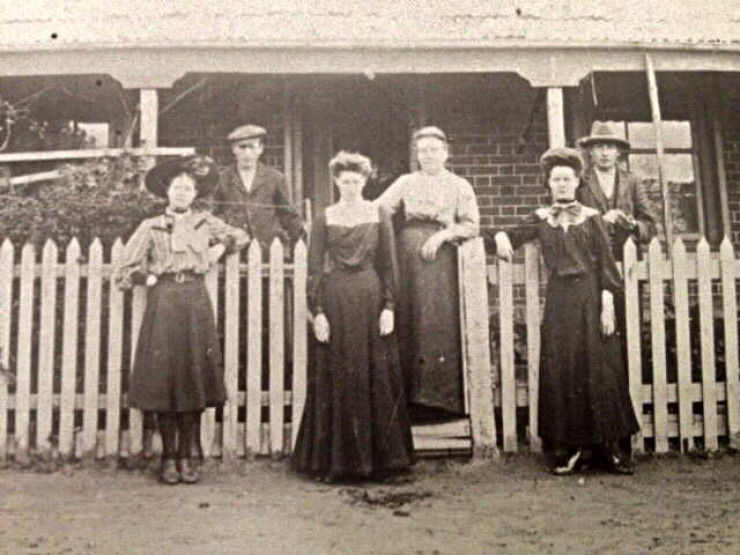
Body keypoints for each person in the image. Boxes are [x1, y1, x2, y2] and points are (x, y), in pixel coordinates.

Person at [484, 147, 639, 476]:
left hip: (592, 298)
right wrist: (499, 236)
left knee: (600, 370)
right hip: (559, 302)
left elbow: (606, 266)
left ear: (577, 181)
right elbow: (508, 234)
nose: (563, 184)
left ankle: (610, 450)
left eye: (568, 178)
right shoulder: (542, 219)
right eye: (556, 179)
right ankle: (569, 449)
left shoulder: (592, 217)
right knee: (564, 370)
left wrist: (608, 304)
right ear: (549, 184)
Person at [115, 155, 249, 485]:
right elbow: (123, 271)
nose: (182, 193)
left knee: (192, 377)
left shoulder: (205, 222)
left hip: (194, 300)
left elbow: (241, 236)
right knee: (164, 379)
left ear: (195, 193)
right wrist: (145, 276)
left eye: (188, 188)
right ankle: (168, 457)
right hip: (163, 301)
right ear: (167, 191)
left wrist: (220, 249)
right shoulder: (151, 226)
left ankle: (188, 455)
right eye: (177, 187)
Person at [293, 151, 414, 482]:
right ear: (336, 182)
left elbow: (389, 265)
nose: (350, 186)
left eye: (356, 181)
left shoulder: (378, 214)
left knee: (375, 373)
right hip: (336, 300)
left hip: (370, 296)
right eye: (344, 181)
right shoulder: (324, 217)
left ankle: (382, 462)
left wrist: (389, 307)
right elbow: (314, 268)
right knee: (338, 375)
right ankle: (336, 462)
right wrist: (317, 312)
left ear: (365, 181)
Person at [377, 126, 479, 418]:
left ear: (445, 153)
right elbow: (379, 210)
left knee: (436, 322)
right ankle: (407, 402)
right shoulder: (406, 182)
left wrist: (442, 236)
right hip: (407, 255)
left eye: (434, 150)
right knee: (407, 317)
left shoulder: (459, 185)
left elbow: (472, 225)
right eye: (422, 151)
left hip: (440, 259)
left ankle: (439, 402)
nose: (428, 156)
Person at [211, 124, 306, 250]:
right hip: (233, 251)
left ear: (260, 149)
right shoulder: (222, 179)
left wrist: (298, 245)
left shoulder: (275, 178)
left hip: (268, 250)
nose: (247, 153)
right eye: (242, 147)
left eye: (251, 147)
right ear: (234, 149)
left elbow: (287, 215)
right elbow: (212, 215)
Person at [576, 121, 657, 260]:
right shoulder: (580, 182)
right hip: (593, 259)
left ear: (618, 151)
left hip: (628, 259)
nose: (605, 153)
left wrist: (633, 225)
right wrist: (601, 222)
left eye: (610, 147)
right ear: (590, 151)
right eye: (599, 147)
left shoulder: (633, 181)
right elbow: (572, 227)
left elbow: (650, 227)